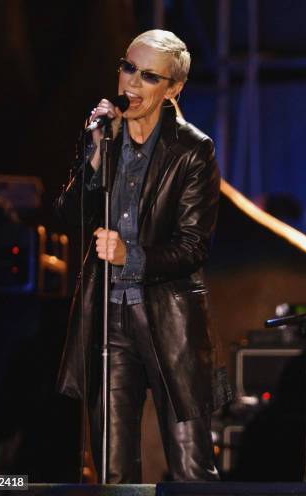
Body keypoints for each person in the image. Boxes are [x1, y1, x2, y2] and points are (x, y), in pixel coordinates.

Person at [56, 29, 231, 483]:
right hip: (108, 322)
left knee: (191, 468)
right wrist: (92, 159)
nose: (131, 84)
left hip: (170, 322)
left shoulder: (194, 149)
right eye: (128, 68)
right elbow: (68, 220)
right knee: (113, 470)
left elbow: (194, 247)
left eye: (148, 76)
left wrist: (128, 257)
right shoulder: (106, 137)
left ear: (173, 88)